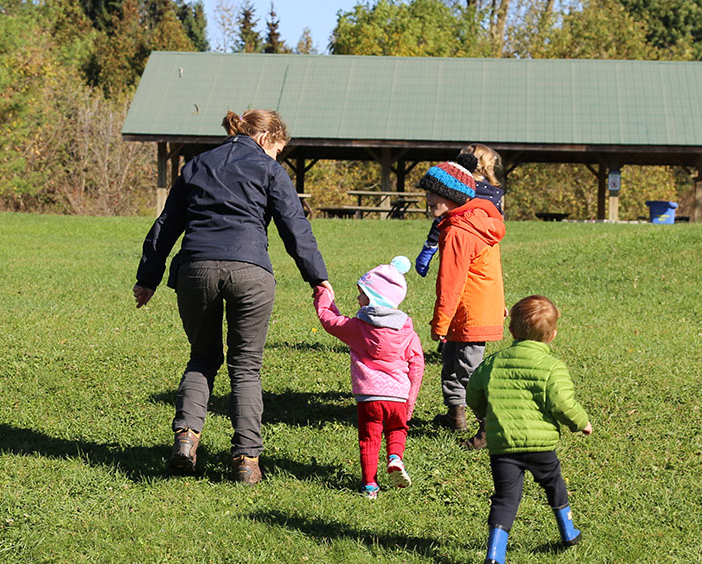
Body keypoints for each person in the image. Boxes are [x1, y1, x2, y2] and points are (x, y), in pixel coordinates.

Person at [133, 109, 330, 485]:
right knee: (246, 366)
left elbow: (167, 224)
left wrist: (148, 278)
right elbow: (295, 227)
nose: (277, 158)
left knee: (203, 357)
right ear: (265, 139)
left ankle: (187, 439)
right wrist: (317, 278)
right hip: (250, 271)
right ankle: (246, 460)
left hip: (195, 269)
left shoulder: (197, 165)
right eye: (278, 150)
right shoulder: (269, 169)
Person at [467, 295, 592, 564]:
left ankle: (495, 554)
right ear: (553, 335)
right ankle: (568, 531)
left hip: (502, 446)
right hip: (540, 446)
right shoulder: (552, 367)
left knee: (505, 498)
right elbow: (562, 403)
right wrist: (581, 423)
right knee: (553, 484)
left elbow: (473, 392)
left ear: (511, 331)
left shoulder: (493, 363)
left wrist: (483, 412)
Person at [313, 256, 425, 499]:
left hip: (369, 397)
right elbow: (417, 366)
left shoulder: (358, 327)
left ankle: (370, 486)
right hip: (398, 396)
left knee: (369, 438)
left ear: (374, 298)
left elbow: (330, 321)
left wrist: (323, 294)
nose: (357, 298)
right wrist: (410, 401)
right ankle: (395, 457)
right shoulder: (407, 331)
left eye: (361, 293)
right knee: (397, 428)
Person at [415, 159, 506, 436]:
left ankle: (488, 429)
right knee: (453, 364)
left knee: (469, 373)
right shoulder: (471, 222)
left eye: (432, 192)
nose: (427, 198)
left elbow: (450, 284)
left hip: (470, 314)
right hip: (471, 310)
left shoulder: (458, 232)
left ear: (451, 196)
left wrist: (439, 324)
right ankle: (456, 415)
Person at [413, 144, 505, 278]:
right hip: (485, 252)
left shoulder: (460, 188)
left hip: (459, 242)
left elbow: (445, 217)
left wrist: (430, 246)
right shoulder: (493, 193)